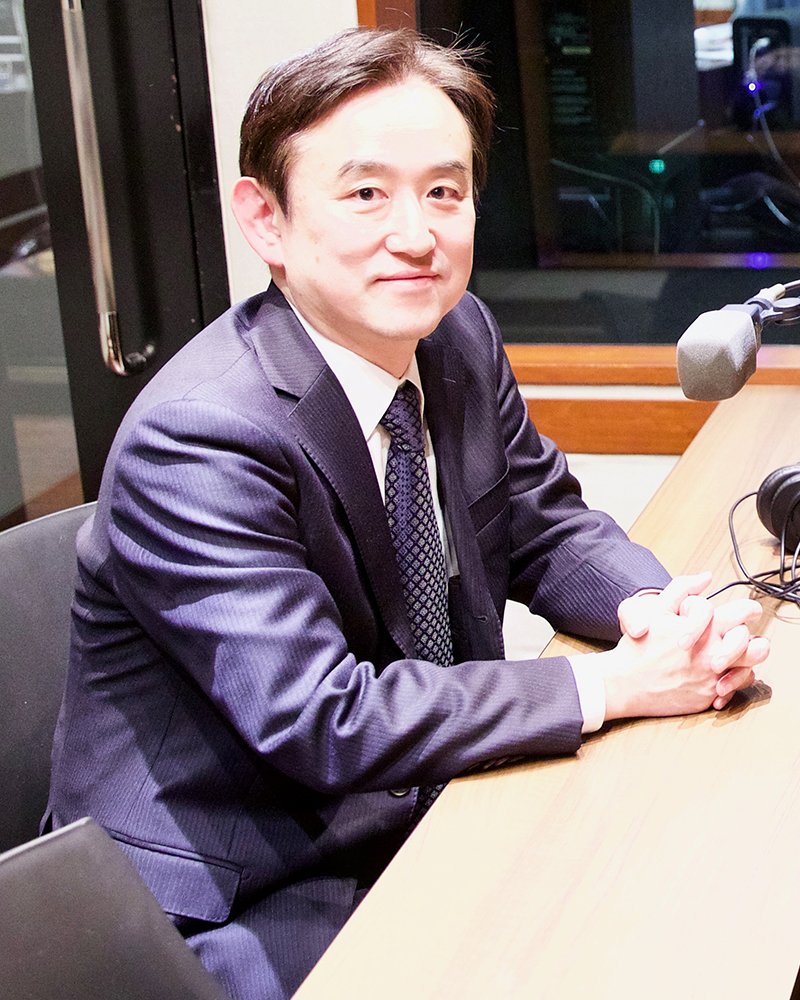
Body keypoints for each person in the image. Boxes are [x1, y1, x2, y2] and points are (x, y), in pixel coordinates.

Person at [45, 26, 769, 1000]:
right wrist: (611, 686)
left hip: (411, 796)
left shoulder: (454, 333)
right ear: (265, 220)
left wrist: (660, 613)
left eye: (443, 191)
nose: (416, 234)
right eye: (365, 194)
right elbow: (321, 718)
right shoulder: (201, 435)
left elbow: (542, 521)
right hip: (243, 886)